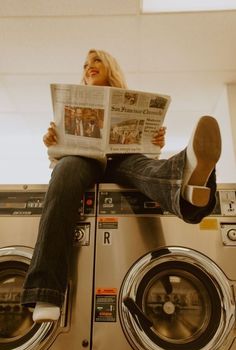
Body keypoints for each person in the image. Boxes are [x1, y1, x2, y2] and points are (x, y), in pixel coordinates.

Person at [20, 49, 221, 322]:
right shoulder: (71, 107)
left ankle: (187, 177)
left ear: (110, 68)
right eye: (85, 65)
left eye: (96, 61)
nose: (89, 66)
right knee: (65, 172)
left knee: (148, 168)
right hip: (82, 158)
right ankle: (46, 289)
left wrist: (154, 143)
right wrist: (52, 142)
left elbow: (145, 162)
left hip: (122, 158)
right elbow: (59, 157)